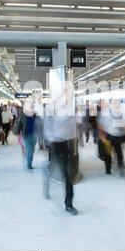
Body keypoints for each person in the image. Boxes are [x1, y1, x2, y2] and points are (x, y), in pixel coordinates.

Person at [44, 87, 78, 215]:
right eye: (66, 93)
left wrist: (74, 142)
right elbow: (47, 125)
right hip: (55, 143)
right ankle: (47, 178)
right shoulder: (52, 108)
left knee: (67, 174)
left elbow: (73, 125)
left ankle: (69, 204)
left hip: (66, 143)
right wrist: (49, 140)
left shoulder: (70, 108)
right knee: (56, 168)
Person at [98, 99, 125, 176]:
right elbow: (100, 125)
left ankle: (121, 168)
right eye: (114, 102)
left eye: (117, 103)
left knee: (119, 154)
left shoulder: (122, 114)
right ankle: (108, 169)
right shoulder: (106, 113)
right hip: (108, 136)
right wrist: (102, 135)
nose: (116, 104)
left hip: (118, 137)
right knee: (108, 154)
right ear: (111, 104)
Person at [14, 99, 37, 169]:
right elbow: (18, 123)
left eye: (33, 106)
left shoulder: (34, 115)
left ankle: (28, 158)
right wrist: (17, 131)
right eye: (31, 106)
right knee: (30, 149)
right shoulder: (23, 115)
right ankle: (28, 164)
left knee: (32, 149)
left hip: (33, 134)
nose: (32, 108)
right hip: (25, 134)